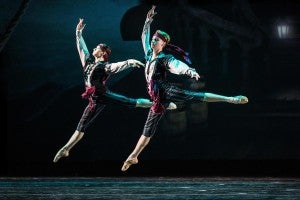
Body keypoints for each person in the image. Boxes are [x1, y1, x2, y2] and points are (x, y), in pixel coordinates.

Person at [121, 6, 249, 171]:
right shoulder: (148, 55)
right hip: (156, 98)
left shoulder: (165, 58)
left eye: (156, 40)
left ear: (163, 44)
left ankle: (231, 99)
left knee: (196, 96)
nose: (153, 41)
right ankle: (135, 156)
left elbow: (177, 66)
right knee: (148, 129)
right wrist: (148, 21)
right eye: (153, 39)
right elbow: (143, 36)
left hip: (165, 91)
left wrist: (189, 71)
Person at [53, 18, 176, 163]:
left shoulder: (104, 66)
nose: (94, 49)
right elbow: (81, 48)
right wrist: (78, 32)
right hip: (93, 100)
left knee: (129, 102)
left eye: (97, 48)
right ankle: (66, 148)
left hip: (102, 94)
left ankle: (160, 104)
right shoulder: (88, 63)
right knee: (81, 125)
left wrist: (130, 62)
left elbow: (116, 66)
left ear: (103, 53)